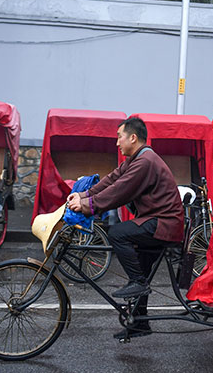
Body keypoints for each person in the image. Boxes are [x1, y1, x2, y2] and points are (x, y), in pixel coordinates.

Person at [67, 117, 184, 338]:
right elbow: (112, 180)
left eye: (119, 137)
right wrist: (83, 195)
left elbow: (120, 191)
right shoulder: (136, 159)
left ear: (133, 137)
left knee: (118, 233)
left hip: (164, 223)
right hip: (154, 221)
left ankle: (137, 282)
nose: (117, 143)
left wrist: (86, 206)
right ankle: (139, 324)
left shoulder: (145, 161)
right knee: (141, 265)